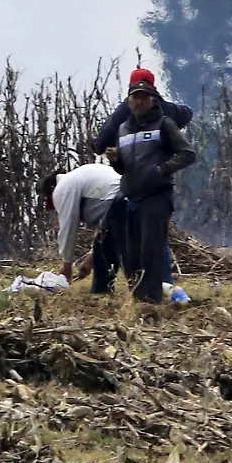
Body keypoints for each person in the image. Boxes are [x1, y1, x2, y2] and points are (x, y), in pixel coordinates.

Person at [92, 69, 197, 301]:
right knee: (131, 253)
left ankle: (152, 300)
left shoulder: (164, 123)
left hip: (157, 195)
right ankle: (138, 297)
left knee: (152, 249)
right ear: (129, 100)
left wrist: (161, 170)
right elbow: (123, 167)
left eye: (144, 97)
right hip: (131, 196)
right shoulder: (123, 129)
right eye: (135, 97)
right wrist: (116, 161)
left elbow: (188, 153)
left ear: (152, 98)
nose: (139, 101)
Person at [39, 161, 121, 281]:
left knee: (110, 244)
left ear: (52, 188)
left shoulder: (62, 188)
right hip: (128, 196)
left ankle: (102, 289)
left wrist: (67, 265)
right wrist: (92, 256)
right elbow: (104, 225)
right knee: (116, 243)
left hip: (115, 202)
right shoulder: (79, 176)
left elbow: (68, 228)